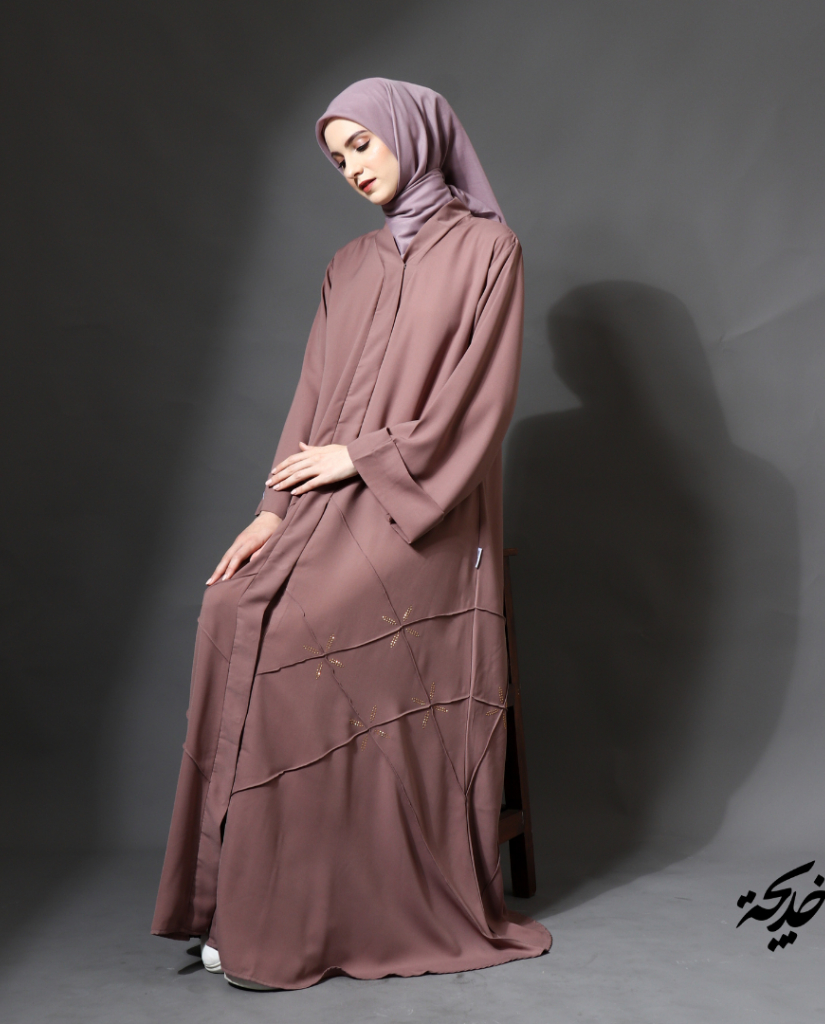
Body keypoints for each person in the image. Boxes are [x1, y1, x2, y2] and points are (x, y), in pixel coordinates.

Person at [152, 77, 552, 991]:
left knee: (300, 630)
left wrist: (361, 458)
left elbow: (478, 405)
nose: (352, 168)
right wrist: (271, 508)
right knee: (230, 608)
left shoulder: (489, 250)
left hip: (428, 517)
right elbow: (312, 395)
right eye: (338, 158)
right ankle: (239, 900)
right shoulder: (350, 264)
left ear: (410, 132)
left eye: (362, 145)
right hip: (328, 501)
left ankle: (300, 913)